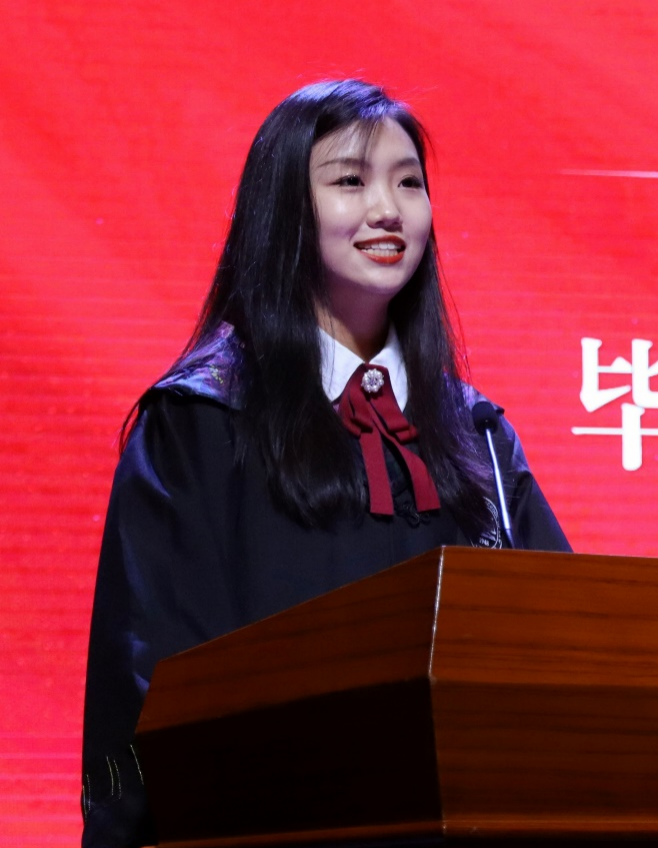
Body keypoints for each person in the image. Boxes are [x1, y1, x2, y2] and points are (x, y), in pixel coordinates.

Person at [80, 80, 571, 848]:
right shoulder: (202, 423)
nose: (388, 210)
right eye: (350, 181)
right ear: (284, 211)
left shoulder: (474, 434)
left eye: (409, 183)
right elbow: (152, 679)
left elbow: (560, 649)